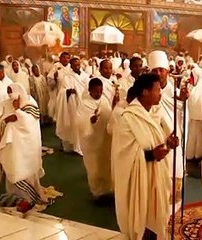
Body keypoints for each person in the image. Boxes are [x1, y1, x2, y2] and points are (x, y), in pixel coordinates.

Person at [112, 73, 179, 240]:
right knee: (143, 218)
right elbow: (122, 155)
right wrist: (150, 155)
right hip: (139, 179)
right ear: (144, 92)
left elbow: (156, 141)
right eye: (157, 90)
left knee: (157, 216)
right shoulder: (128, 118)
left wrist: (168, 143)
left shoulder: (155, 113)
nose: (160, 94)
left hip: (156, 175)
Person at [148, 50, 188, 211]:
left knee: (173, 174)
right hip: (153, 142)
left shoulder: (176, 94)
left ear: (167, 72)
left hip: (173, 142)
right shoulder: (146, 92)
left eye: (161, 70)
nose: (158, 73)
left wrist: (183, 102)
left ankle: (172, 211)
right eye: (154, 70)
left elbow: (184, 117)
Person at [0, 83, 47, 207]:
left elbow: (29, 123)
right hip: (14, 145)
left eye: (12, 92)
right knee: (14, 164)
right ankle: (15, 195)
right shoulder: (10, 103)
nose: (10, 96)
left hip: (27, 145)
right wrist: (6, 120)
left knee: (26, 168)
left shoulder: (30, 104)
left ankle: (29, 196)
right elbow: (3, 119)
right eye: (8, 93)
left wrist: (18, 111)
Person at [76, 78, 113, 203]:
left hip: (104, 139)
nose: (99, 93)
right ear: (90, 90)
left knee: (105, 165)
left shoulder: (104, 100)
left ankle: (107, 189)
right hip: (91, 142)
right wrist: (89, 121)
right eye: (96, 91)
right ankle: (97, 193)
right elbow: (79, 122)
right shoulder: (84, 104)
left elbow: (109, 115)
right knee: (94, 168)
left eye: (101, 91)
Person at [56, 58, 89, 155]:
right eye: (75, 65)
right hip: (73, 103)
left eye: (78, 64)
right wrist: (68, 91)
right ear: (71, 66)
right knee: (75, 124)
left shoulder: (85, 76)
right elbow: (62, 91)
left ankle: (84, 145)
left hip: (84, 103)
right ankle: (76, 146)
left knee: (84, 123)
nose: (77, 66)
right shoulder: (67, 77)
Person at [186, 67, 202, 164]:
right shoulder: (194, 87)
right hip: (192, 117)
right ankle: (190, 155)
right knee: (191, 137)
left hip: (200, 118)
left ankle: (198, 156)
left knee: (200, 138)